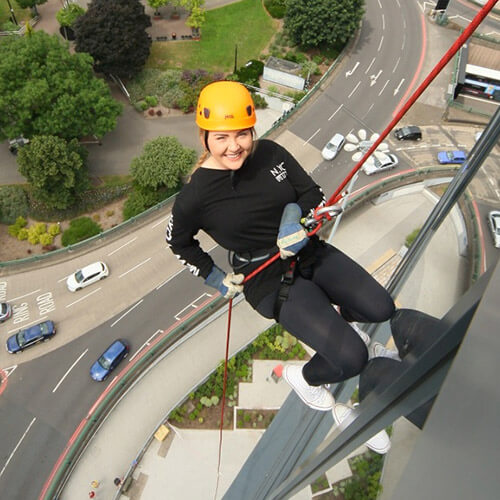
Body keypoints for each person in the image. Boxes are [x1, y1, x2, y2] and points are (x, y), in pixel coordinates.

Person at [166, 81, 395, 413]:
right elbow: (178, 243)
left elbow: (311, 194)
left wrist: (292, 218)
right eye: (221, 137)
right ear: (204, 137)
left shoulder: (271, 153)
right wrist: (214, 276)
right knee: (352, 357)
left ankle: (349, 325)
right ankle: (303, 377)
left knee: (381, 308)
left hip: (308, 251)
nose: (234, 147)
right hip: (267, 279)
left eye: (242, 134)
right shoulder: (194, 197)